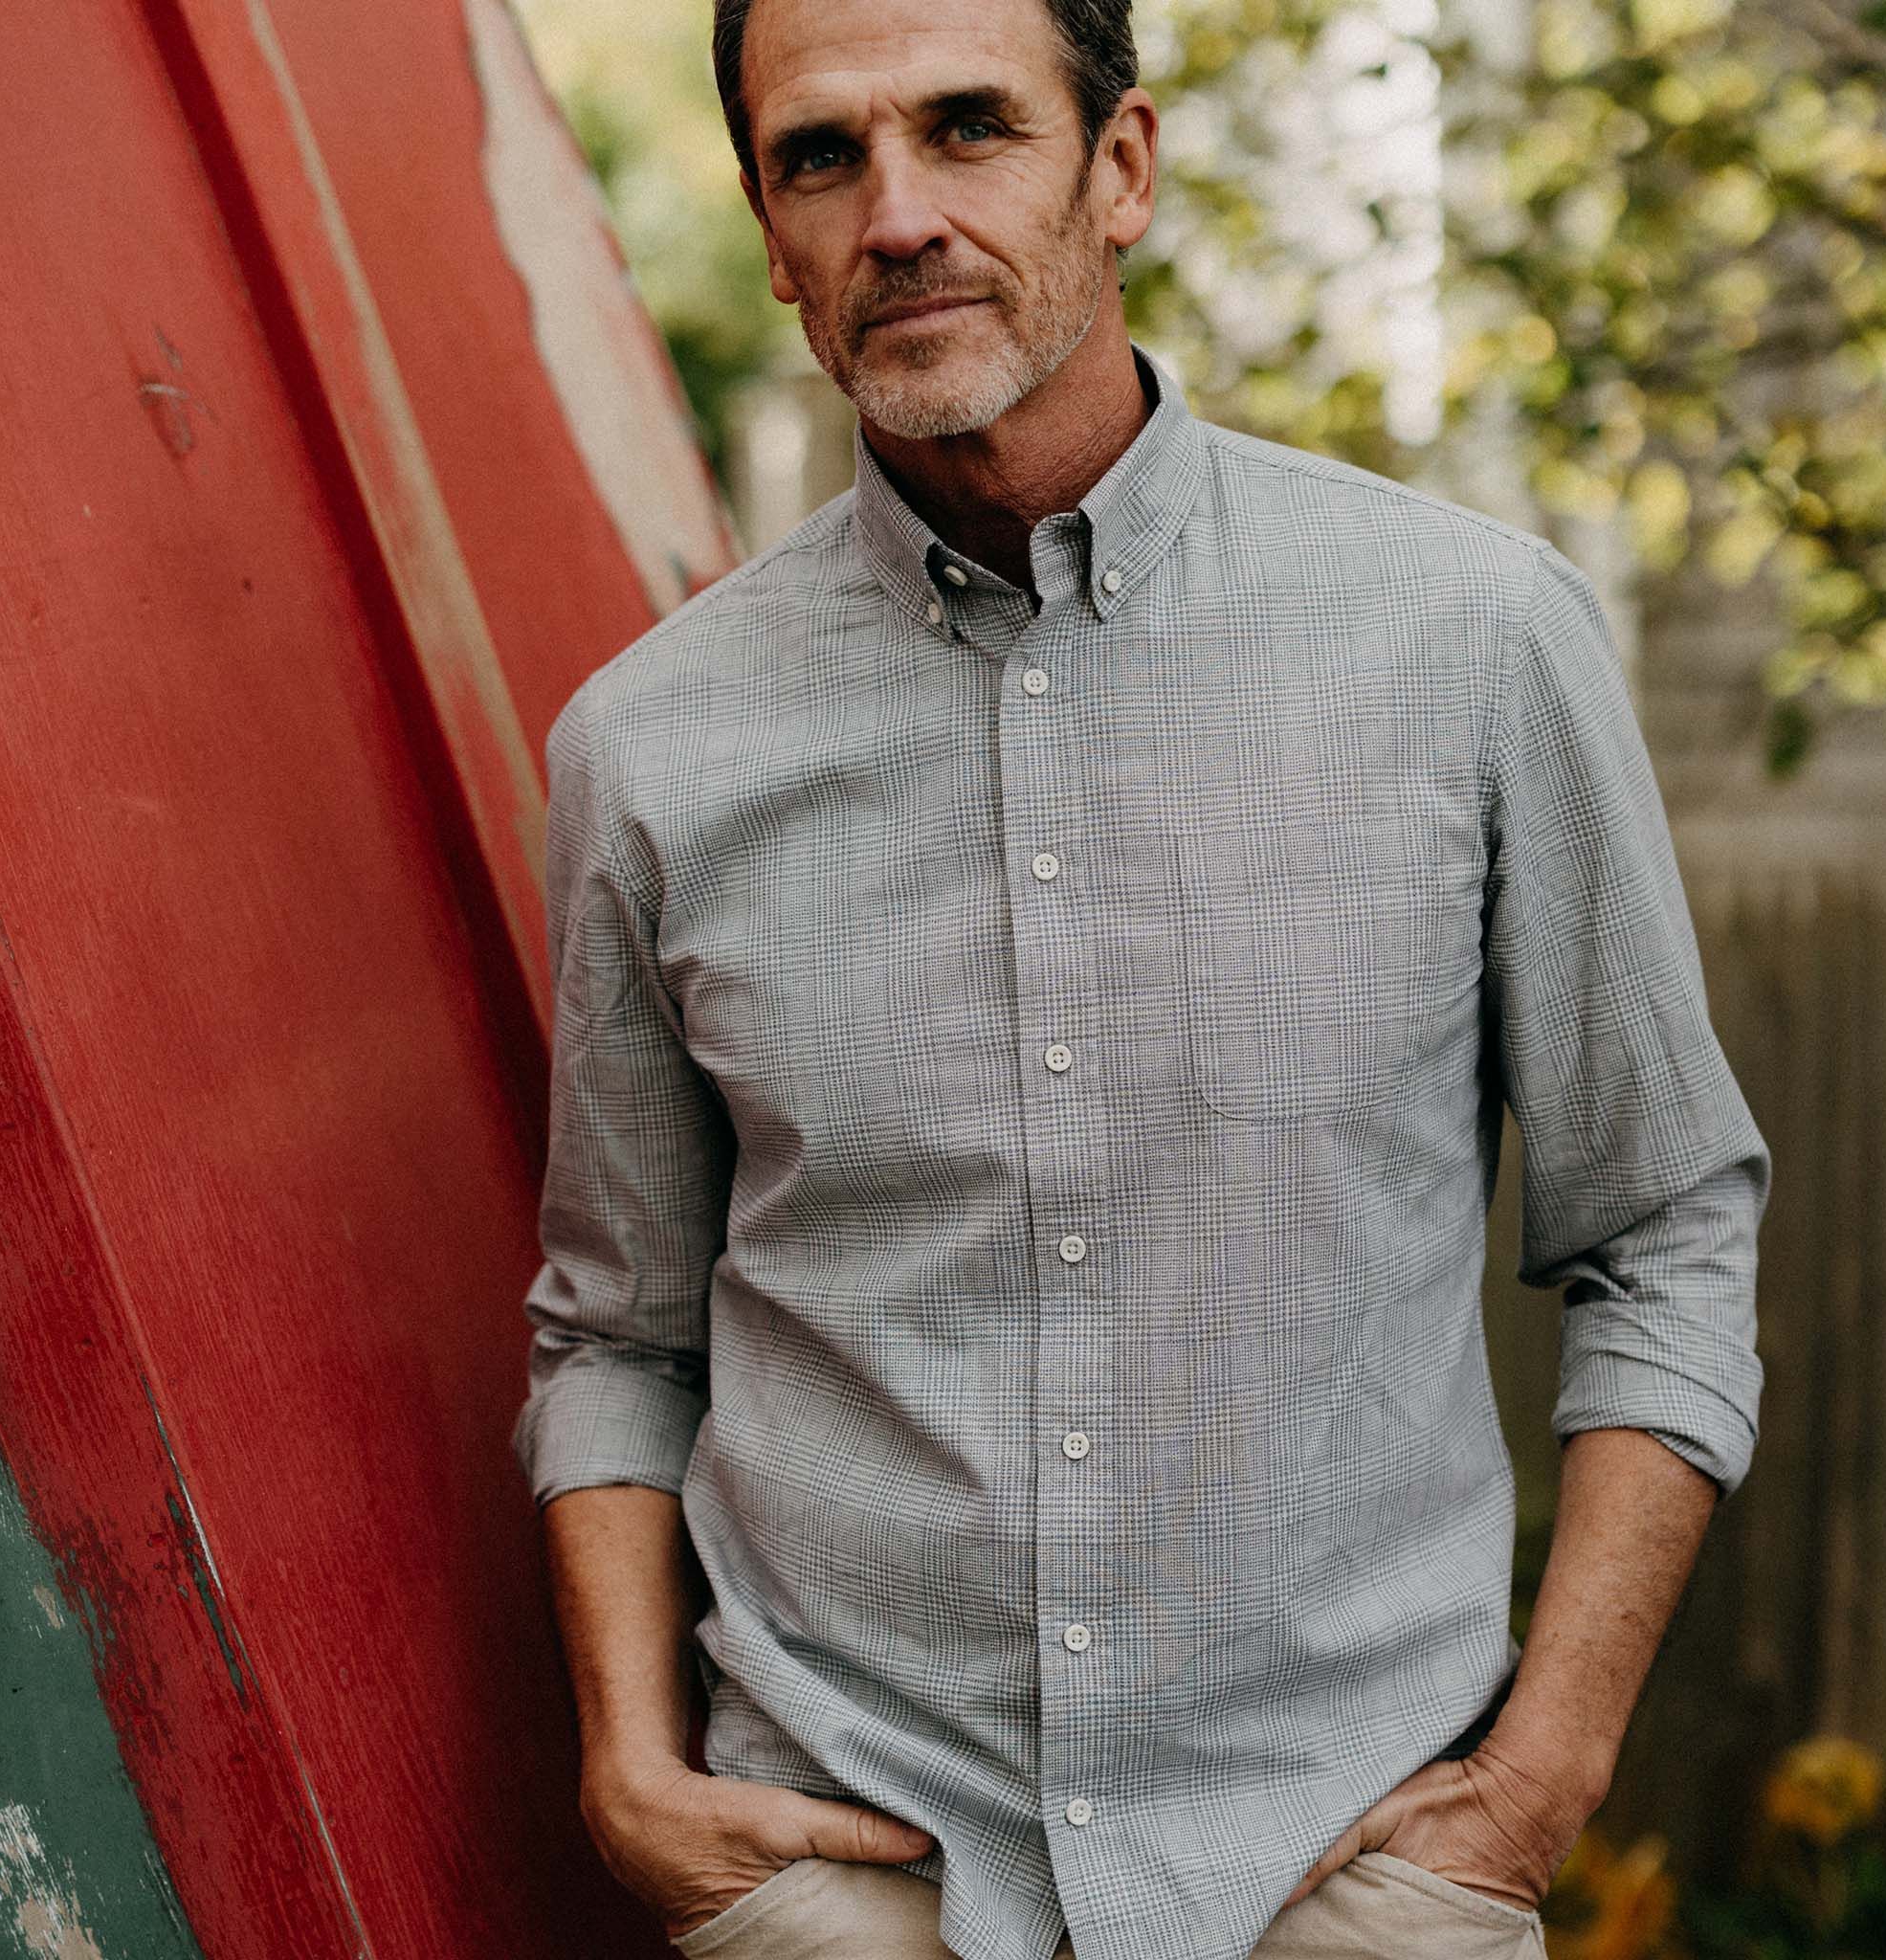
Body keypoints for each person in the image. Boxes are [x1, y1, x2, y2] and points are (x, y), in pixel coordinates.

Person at [509, 0, 1771, 1953]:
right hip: (849, 1874)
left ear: (1121, 169)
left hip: (1351, 1863)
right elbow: (616, 1332)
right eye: (822, 156)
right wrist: (631, 1768)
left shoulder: (1474, 644)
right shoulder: (651, 748)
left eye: (969, 125)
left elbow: (1666, 1225)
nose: (897, 214)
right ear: (770, 239)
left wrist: (1545, 1773)